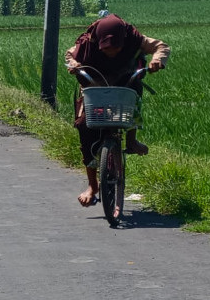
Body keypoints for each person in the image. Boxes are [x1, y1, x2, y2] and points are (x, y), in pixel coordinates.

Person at [65, 13, 170, 207]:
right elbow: (70, 55)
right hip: (95, 86)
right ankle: (92, 185)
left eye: (116, 48)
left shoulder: (133, 38)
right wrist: (74, 65)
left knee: (132, 98)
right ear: (100, 42)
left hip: (124, 83)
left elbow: (160, 47)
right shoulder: (87, 42)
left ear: (123, 41)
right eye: (107, 49)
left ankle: (131, 140)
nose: (111, 53)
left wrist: (157, 60)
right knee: (84, 126)